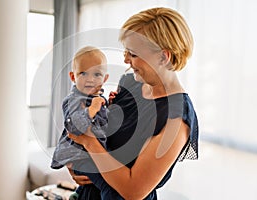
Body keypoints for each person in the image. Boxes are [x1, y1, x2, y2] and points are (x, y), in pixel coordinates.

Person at [67, 7, 199, 200]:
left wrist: (88, 141)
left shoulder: (177, 116)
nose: (126, 59)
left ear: (164, 57)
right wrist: (76, 163)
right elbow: (104, 135)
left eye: (133, 54)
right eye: (126, 51)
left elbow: (133, 191)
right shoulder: (130, 83)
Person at [51, 46, 127, 199]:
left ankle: (77, 195)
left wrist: (110, 107)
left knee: (99, 185)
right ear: (73, 77)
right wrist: (90, 110)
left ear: (105, 79)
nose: (90, 79)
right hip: (80, 158)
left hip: (94, 156)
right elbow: (72, 127)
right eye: (83, 73)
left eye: (97, 74)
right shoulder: (72, 100)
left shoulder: (99, 100)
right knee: (108, 184)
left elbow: (105, 127)